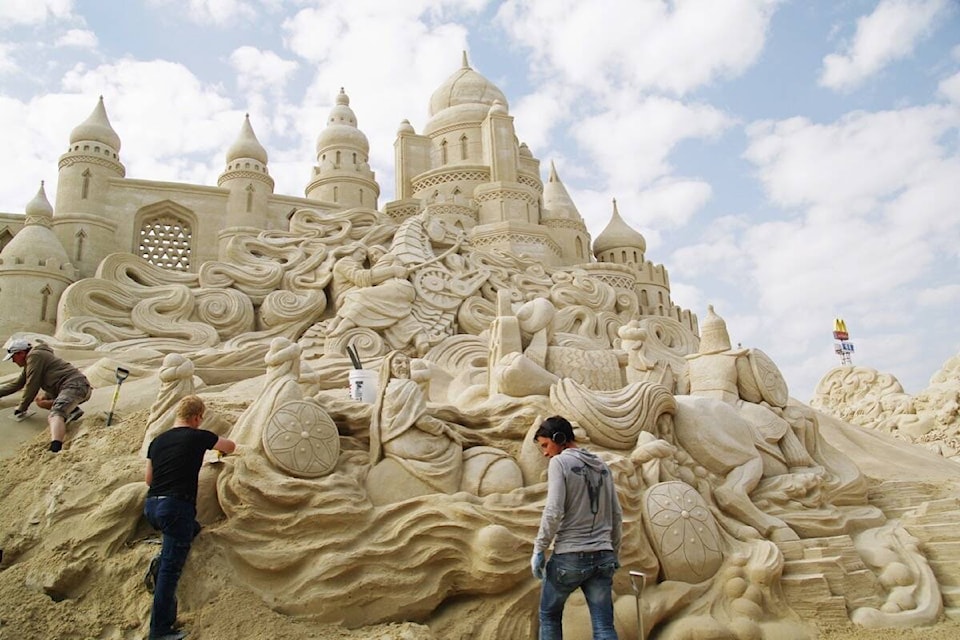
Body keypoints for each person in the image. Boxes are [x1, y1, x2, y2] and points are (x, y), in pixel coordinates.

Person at [143, 395, 235, 640]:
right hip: (176, 508)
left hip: (152, 506)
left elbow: (149, 480)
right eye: (200, 418)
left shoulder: (157, 441)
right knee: (170, 571)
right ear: (196, 417)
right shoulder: (199, 436)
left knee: (190, 530)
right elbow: (230, 446)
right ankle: (159, 630)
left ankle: (164, 556)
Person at [531, 416, 622, 640]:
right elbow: (617, 515)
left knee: (549, 615)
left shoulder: (560, 463)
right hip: (603, 557)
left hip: (569, 557)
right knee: (604, 627)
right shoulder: (601, 466)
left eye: (545, 445)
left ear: (559, 438)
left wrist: (539, 548)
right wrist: (614, 553)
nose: (545, 453)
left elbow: (553, 510)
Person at [0, 339, 91, 452]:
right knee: (41, 400)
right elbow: (18, 384)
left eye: (13, 357)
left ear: (21, 353)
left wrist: (22, 407)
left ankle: (55, 448)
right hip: (67, 388)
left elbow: (32, 385)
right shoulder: (32, 360)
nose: (13, 361)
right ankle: (73, 410)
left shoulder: (35, 356)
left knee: (55, 415)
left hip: (74, 386)